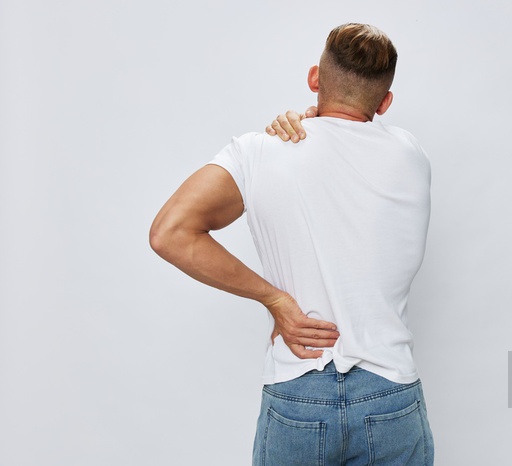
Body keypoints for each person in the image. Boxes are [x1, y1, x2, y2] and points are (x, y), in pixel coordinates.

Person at [150, 23, 434, 465]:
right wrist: (313, 117)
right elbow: (348, 143)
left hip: (299, 391)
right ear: (384, 102)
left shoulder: (259, 151)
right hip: (391, 396)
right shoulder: (411, 154)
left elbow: (169, 233)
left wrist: (275, 300)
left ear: (315, 78)